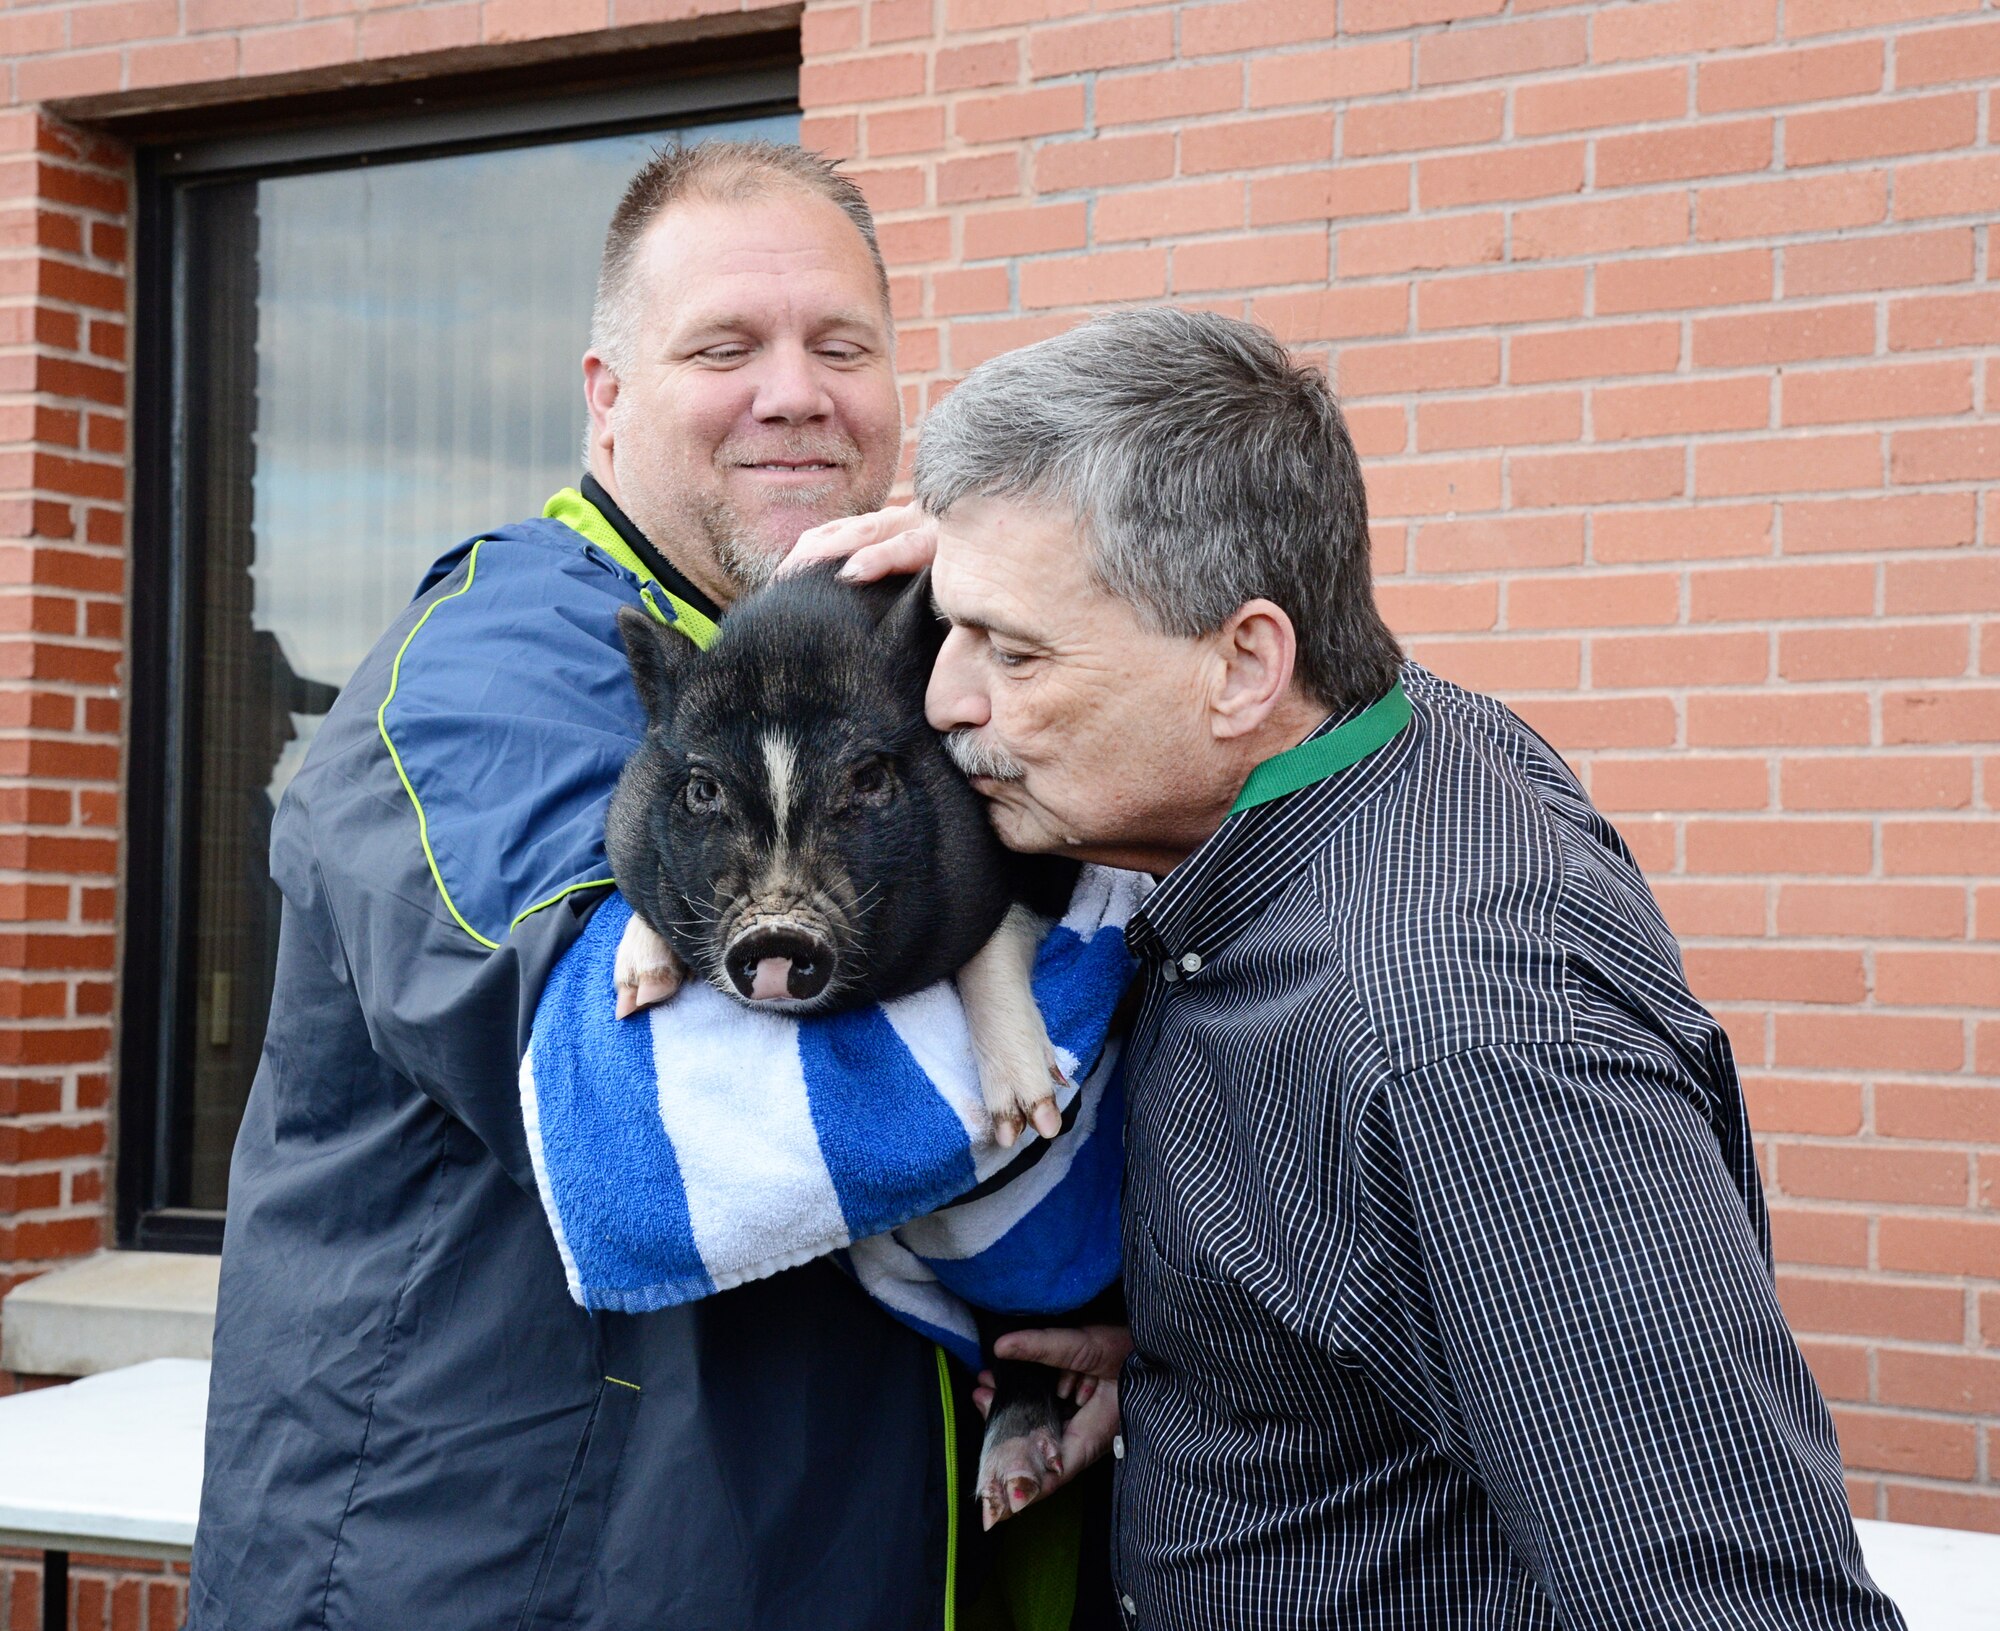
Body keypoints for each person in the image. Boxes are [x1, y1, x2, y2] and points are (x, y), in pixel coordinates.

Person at [797, 308, 1907, 1629]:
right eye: (954, 632)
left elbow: (1728, 1597)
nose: (943, 702)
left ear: (1245, 664)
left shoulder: (1462, 1035)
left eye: (1012, 652)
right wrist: (1198, 1371)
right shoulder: (1378, 741)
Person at [189, 142, 978, 1630]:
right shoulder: (488, 678)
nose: (797, 391)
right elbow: (670, 1129)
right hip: (502, 1583)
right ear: (608, 396)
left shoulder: (875, 675)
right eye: (724, 347)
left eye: (844, 346)